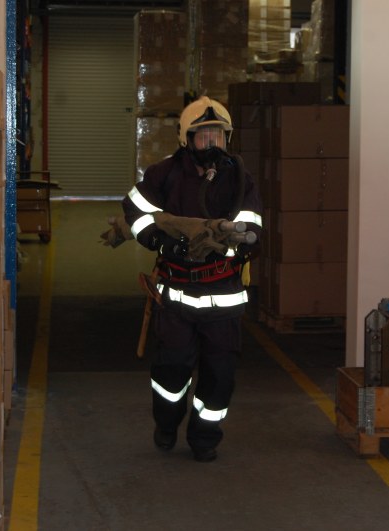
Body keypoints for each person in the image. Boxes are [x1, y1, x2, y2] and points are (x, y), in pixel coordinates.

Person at [122, 96, 263, 462]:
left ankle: (204, 437)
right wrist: (159, 239)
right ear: (186, 139)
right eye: (203, 136)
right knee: (171, 372)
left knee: (220, 376)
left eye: (218, 135)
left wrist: (229, 246)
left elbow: (254, 227)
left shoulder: (240, 179)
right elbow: (135, 209)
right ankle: (166, 424)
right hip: (177, 296)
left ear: (227, 138)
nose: (211, 143)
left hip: (224, 296)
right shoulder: (164, 174)